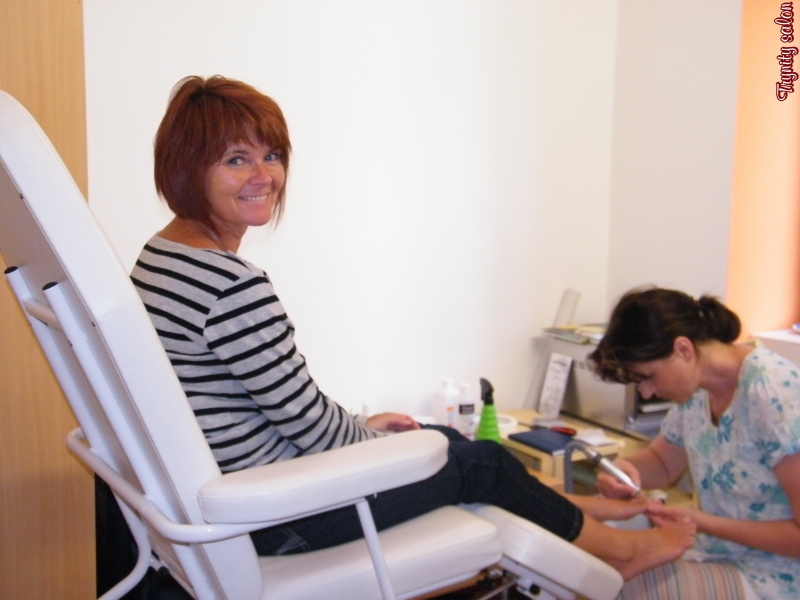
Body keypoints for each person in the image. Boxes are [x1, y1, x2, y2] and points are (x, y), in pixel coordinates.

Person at [131, 74, 695, 580]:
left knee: (442, 439)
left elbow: (280, 406)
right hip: (281, 515)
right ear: (188, 168)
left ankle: (572, 510)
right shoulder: (231, 286)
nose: (264, 176)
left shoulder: (160, 258)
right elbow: (313, 431)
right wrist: (370, 441)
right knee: (482, 460)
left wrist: (364, 427)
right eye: (236, 160)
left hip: (242, 492)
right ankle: (622, 553)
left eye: (272, 155)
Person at [588, 287, 800, 600]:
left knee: (623, 587)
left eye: (648, 376)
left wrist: (702, 522)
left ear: (683, 349)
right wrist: (622, 470)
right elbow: (663, 463)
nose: (646, 392)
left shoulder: (773, 394)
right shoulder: (696, 392)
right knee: (599, 567)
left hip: (777, 575)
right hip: (717, 552)